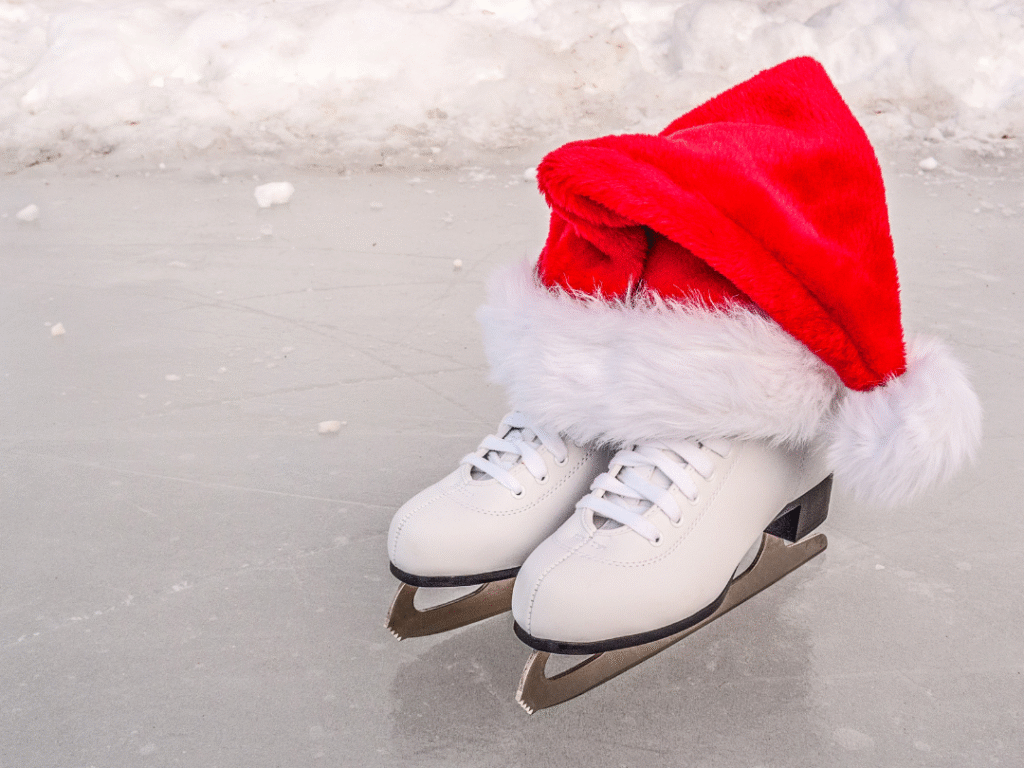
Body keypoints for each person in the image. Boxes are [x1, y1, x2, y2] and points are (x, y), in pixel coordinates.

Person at [387, 57, 982, 653]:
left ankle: (748, 444)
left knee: (737, 261)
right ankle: (595, 408)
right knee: (664, 244)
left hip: (771, 416)